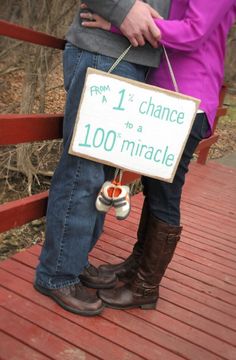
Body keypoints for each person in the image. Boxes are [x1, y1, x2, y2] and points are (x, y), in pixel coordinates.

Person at [81, 0, 236, 310]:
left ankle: (146, 287)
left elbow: (193, 32)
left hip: (189, 98)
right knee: (154, 187)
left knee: (165, 192)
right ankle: (137, 265)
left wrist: (118, 22)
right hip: (166, 94)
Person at [34, 0, 171, 316]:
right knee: (84, 171)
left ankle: (73, 260)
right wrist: (121, 10)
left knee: (103, 175)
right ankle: (56, 274)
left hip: (130, 57)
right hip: (104, 52)